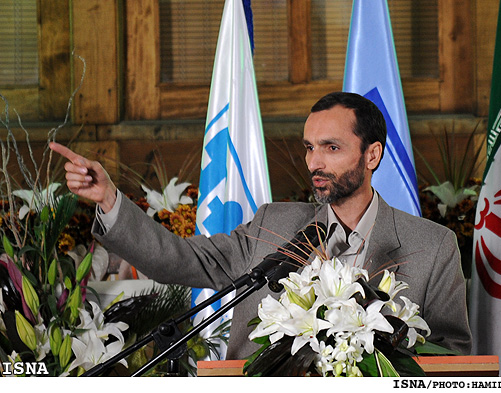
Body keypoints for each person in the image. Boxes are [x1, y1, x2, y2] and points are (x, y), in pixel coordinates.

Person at [50, 92, 472, 360]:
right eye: (309, 148)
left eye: (331, 148)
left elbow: (454, 364)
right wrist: (108, 200)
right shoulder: (275, 223)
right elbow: (179, 259)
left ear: (372, 155)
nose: (314, 163)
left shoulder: (432, 246)